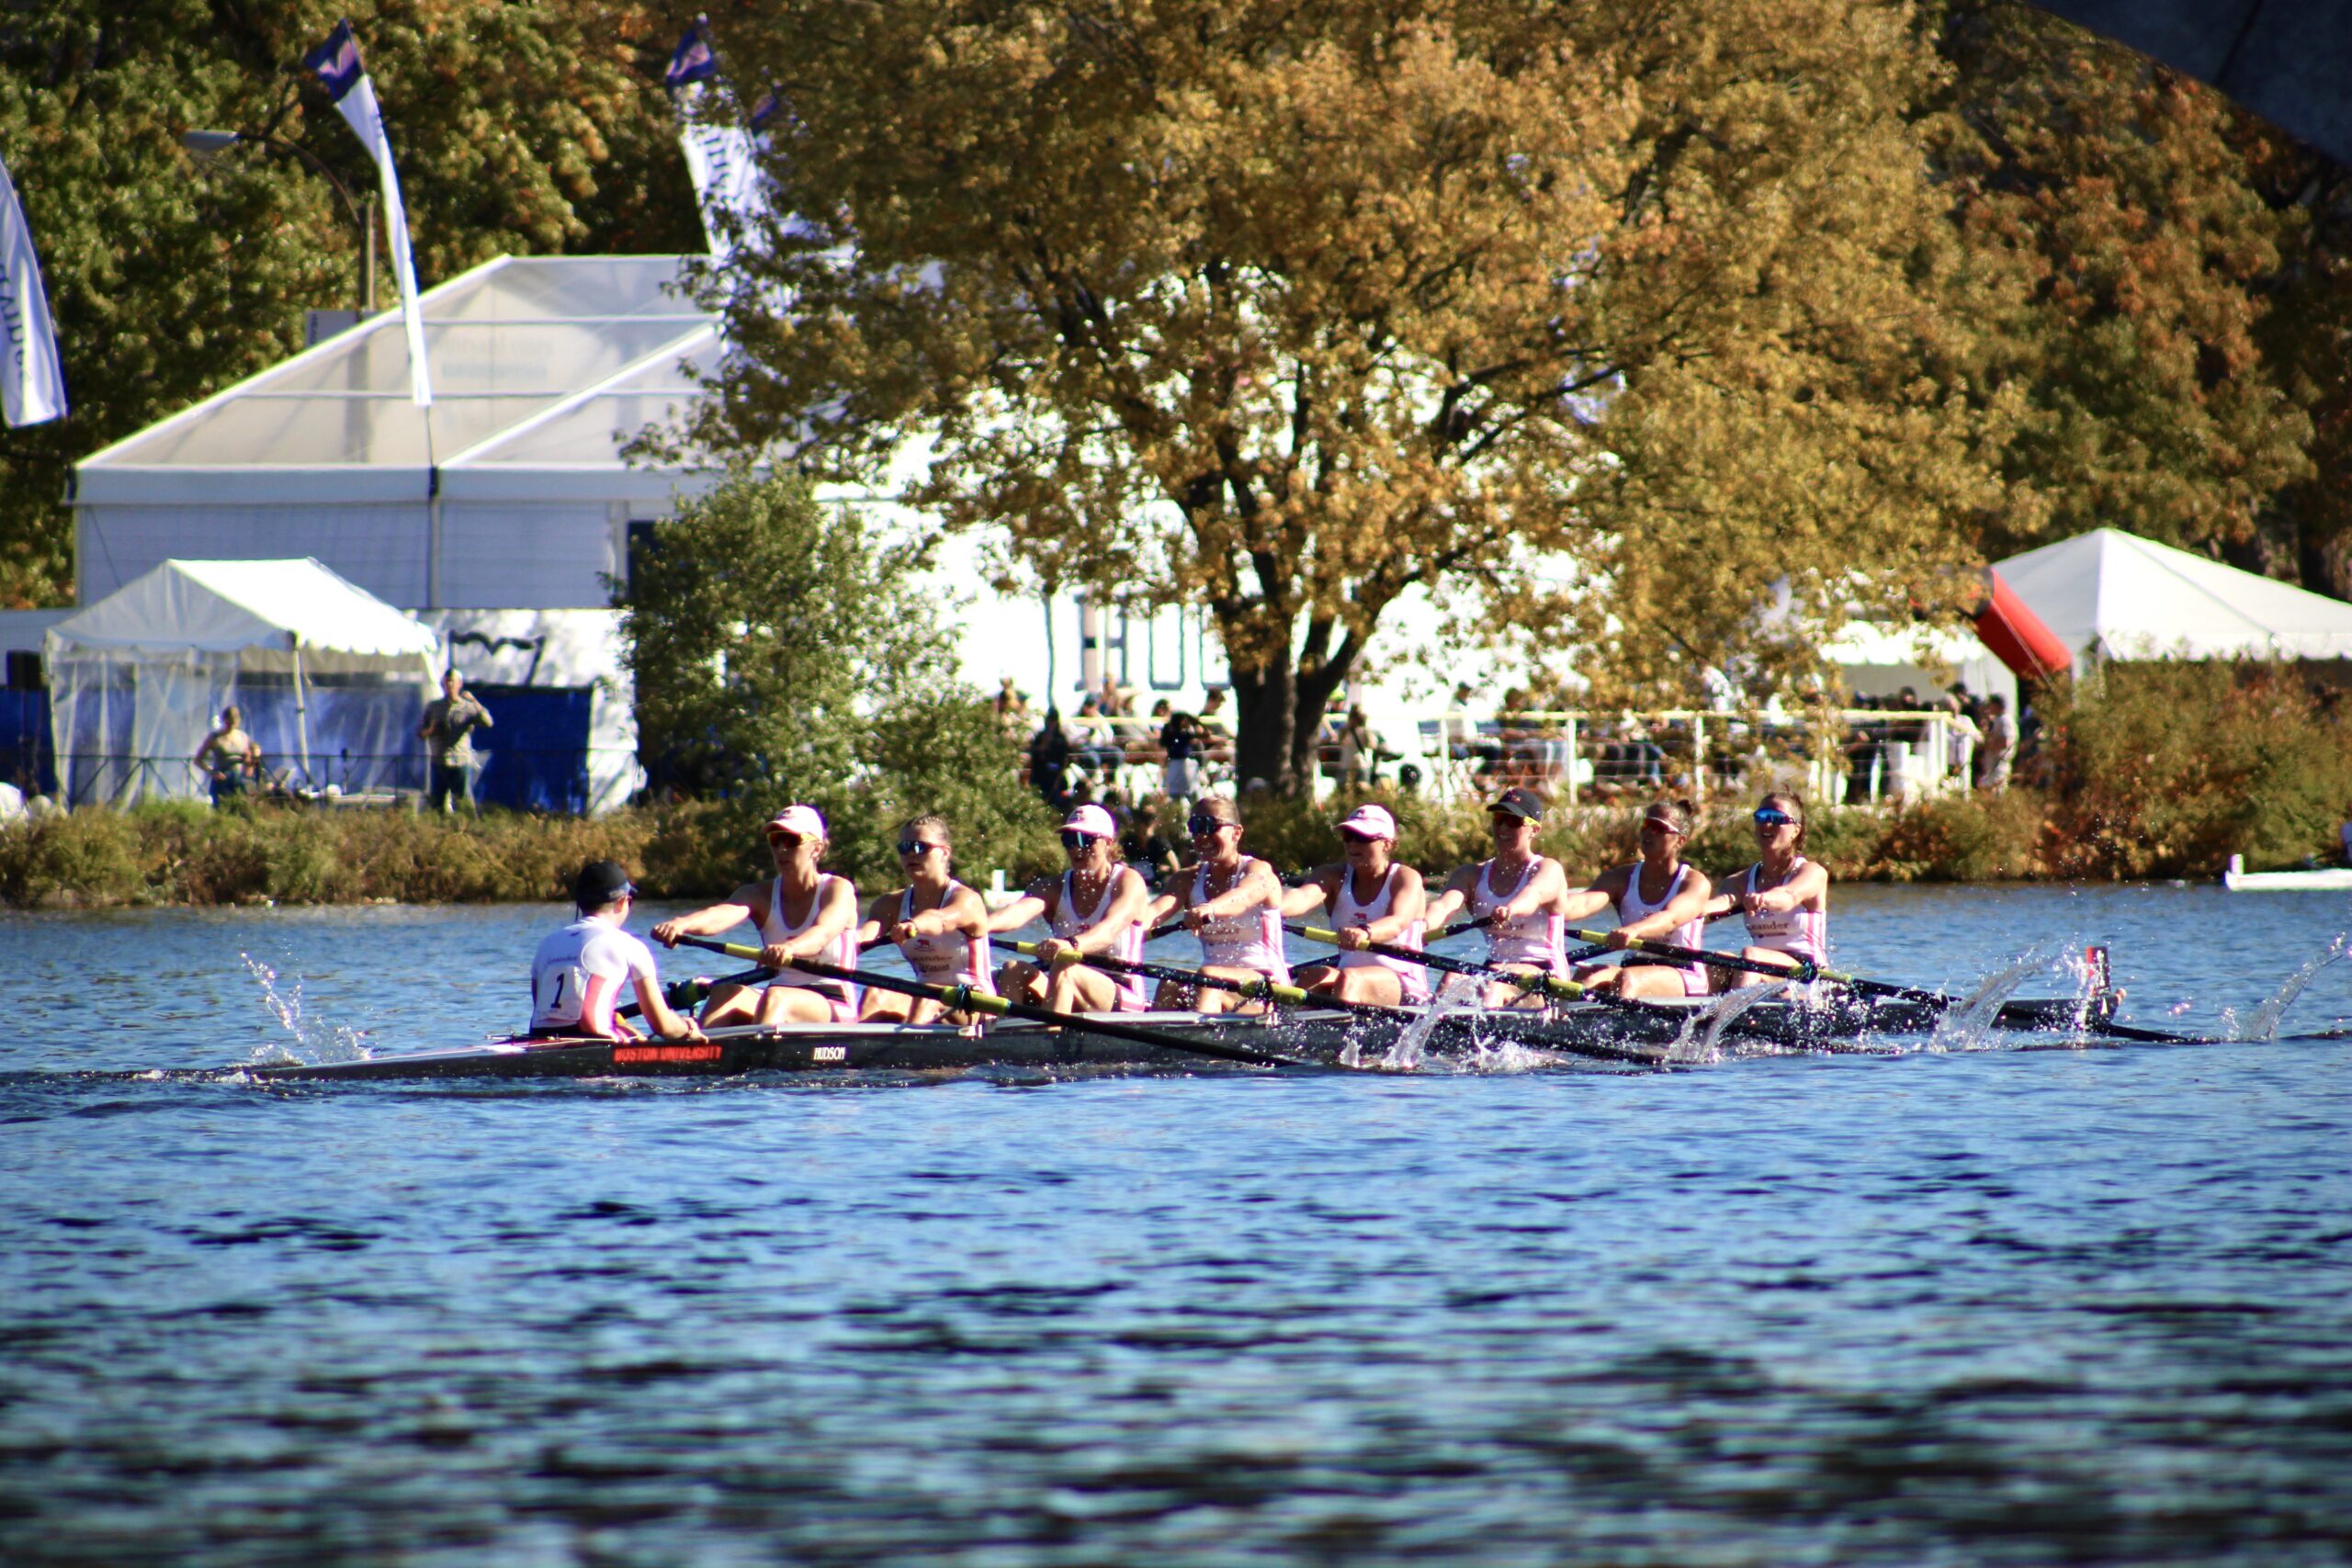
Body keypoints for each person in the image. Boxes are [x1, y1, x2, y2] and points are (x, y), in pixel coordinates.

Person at [652, 805, 862, 1025]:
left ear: (816, 848)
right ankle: (701, 1053)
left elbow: (821, 934)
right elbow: (720, 915)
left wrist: (789, 948)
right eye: (775, 839)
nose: (781, 848)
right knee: (724, 993)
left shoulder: (838, 889)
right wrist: (680, 925)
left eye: (791, 840)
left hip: (833, 1002)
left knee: (776, 997)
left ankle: (754, 1057)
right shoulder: (759, 894)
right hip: (777, 997)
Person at [988, 803, 1153, 1011]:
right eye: (1069, 840)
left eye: (1086, 840)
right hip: (1064, 980)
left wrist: (1070, 944)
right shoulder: (1053, 887)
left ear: (1108, 843)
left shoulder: (1128, 881)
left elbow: (1108, 931)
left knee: (1066, 969)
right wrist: (979, 925)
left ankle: (1049, 1038)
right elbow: (1017, 913)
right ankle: (1006, 1040)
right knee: (1012, 970)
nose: (1077, 848)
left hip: (1122, 990)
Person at [1424, 786, 1572, 1007]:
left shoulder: (1548, 869)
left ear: (1535, 829)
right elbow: (1444, 906)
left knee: (1494, 983)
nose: (1503, 827)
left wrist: (1510, 909)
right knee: (1450, 979)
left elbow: (1533, 894)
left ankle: (1484, 1037)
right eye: (1499, 819)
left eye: (1513, 821)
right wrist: (1421, 927)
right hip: (1495, 969)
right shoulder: (1470, 875)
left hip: (1546, 973)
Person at [528, 861, 705, 1043]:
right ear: (622, 902)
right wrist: (689, 1028)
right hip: (595, 1044)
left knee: (629, 1033)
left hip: (539, 1040)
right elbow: (663, 1025)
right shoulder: (629, 946)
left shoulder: (546, 944)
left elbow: (548, 1011)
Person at [1143, 795, 1288, 1012]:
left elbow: (1244, 896)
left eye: (1211, 826)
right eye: (1195, 827)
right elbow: (1152, 912)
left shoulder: (1259, 871)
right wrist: (1120, 930)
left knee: (1208, 977)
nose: (1202, 836)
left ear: (1236, 833)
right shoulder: (1186, 879)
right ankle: (1155, 1044)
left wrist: (1209, 909)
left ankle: (1196, 1040)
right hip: (1214, 985)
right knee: (1170, 982)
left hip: (1268, 985)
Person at [1561, 799, 1716, 998]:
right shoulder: (1620, 878)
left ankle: (1616, 1028)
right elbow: (1582, 903)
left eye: (1659, 828)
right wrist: (1545, 909)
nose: (1649, 832)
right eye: (1646, 825)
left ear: (1680, 841)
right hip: (1634, 965)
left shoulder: (1694, 882)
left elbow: (1671, 918)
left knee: (1627, 979)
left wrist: (1633, 930)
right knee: (1585, 977)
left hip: (1682, 971)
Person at [1282, 803, 1430, 1006]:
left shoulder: (1405, 878)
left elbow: (1397, 922)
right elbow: (1302, 897)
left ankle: (1337, 1032)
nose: (1352, 845)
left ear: (1387, 844)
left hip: (1403, 983)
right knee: (1311, 977)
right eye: (1347, 837)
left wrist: (1365, 932)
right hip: (1349, 979)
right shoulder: (1332, 876)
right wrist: (1270, 908)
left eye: (1362, 838)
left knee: (1350, 979)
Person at [854, 814, 995, 1024]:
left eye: (921, 847)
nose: (912, 854)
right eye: (905, 848)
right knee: (875, 994)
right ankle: (852, 1051)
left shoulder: (966, 900)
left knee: (927, 997)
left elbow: (939, 919)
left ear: (944, 853)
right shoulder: (889, 904)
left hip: (975, 1003)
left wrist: (914, 925)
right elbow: (864, 936)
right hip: (925, 998)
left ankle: (908, 1052)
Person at [1702, 793, 1830, 986]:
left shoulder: (1812, 873)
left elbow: (1789, 896)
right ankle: (1701, 1014)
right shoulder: (1740, 880)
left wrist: (1763, 899)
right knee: (1717, 960)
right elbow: (1720, 903)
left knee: (1751, 956)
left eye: (1777, 819)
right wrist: (1685, 914)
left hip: (1807, 971)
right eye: (1761, 817)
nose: (1767, 824)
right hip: (1763, 971)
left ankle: (1737, 1013)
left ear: (1796, 830)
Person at [417, 670, 493, 815]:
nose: (450, 684)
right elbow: (420, 732)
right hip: (439, 761)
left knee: (463, 802)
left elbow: (488, 722)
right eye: (447, 681)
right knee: (437, 803)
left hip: (460, 761)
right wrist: (431, 730)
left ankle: (466, 831)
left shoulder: (467, 707)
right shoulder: (434, 707)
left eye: (452, 681)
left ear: (459, 684)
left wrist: (474, 702)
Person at [195, 705, 261, 803]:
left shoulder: (243, 736)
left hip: (239, 780)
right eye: (229, 720)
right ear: (224, 719)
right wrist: (212, 772)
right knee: (222, 810)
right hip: (222, 780)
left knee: (241, 811)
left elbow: (253, 749)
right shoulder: (215, 737)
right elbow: (198, 760)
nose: (232, 723)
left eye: (235, 720)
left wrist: (255, 753)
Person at [1159, 707, 1207, 807]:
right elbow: (1204, 734)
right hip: (1181, 764)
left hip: (1174, 764)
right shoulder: (1182, 734)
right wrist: (1195, 722)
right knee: (1186, 793)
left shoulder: (1170, 732)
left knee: (1177, 794)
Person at [1028, 709, 1072, 812]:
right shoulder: (1040, 736)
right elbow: (1034, 754)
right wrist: (1043, 746)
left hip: (1055, 777)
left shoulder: (1061, 739)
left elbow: (1066, 759)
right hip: (1040, 775)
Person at [1976, 694, 2014, 792]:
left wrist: (1988, 746)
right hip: (1993, 765)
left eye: (1991, 705)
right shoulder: (1998, 719)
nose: (1989, 708)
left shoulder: (2005, 720)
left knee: (1986, 787)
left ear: (1997, 705)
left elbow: (2006, 742)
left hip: (1999, 764)